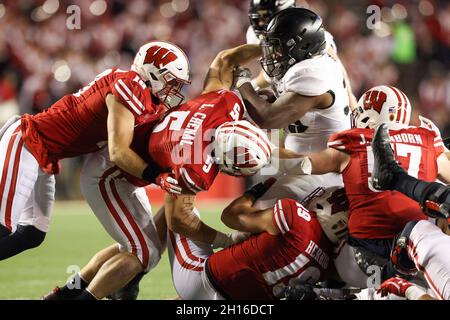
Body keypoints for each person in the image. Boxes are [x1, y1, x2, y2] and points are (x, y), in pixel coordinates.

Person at [43, 46, 272, 300]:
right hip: (112, 175)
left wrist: (265, 48)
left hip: (123, 172)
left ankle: (65, 295)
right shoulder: (194, 164)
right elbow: (180, 221)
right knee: (143, 253)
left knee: (138, 246)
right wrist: (226, 240)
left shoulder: (221, 102)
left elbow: (223, 59)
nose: (175, 91)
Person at [0, 40, 190, 260]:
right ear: (152, 71)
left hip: (45, 153)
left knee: (32, 233)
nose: (174, 89)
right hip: (27, 141)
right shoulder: (131, 85)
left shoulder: (138, 90)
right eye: (171, 81)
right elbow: (118, 151)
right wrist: (156, 176)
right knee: (2, 226)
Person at [270, 85, 450, 282]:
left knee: (332, 207)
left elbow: (303, 164)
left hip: (364, 252)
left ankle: (319, 285)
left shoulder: (354, 141)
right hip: (417, 247)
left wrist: (265, 150)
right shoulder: (427, 139)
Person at [230, 7, 353, 209]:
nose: (275, 54)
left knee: (252, 215)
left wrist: (243, 83)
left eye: (279, 47)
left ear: (302, 45)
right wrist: (272, 98)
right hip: (299, 164)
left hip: (321, 171)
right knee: (245, 214)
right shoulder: (301, 64)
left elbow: (269, 119)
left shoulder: (314, 71)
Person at [165, 179, 335, 300]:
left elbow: (231, 216)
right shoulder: (332, 262)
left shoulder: (297, 220)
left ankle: (141, 261)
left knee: (177, 208)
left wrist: (254, 192)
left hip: (201, 279)